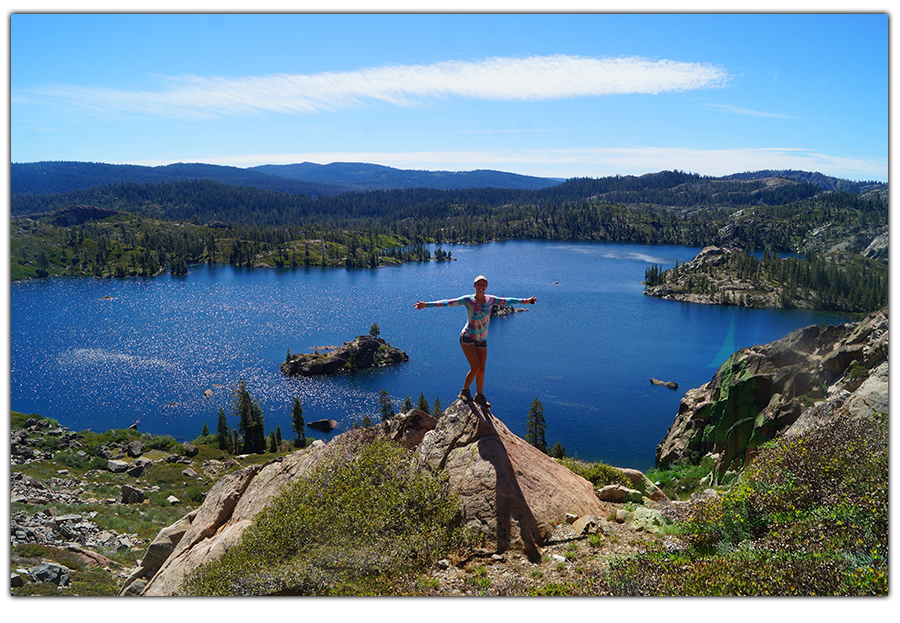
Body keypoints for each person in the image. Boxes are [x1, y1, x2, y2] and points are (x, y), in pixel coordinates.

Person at [414, 275, 537, 409]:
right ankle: (464, 391)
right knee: (476, 367)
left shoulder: (491, 300)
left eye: (484, 284)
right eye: (479, 284)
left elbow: (508, 300)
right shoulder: (468, 300)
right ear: (474, 286)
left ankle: (479, 395)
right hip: (467, 337)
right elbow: (448, 302)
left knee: (482, 369)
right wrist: (426, 304)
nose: (481, 286)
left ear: (486, 287)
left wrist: (527, 301)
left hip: (481, 339)